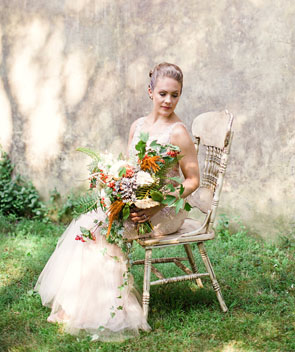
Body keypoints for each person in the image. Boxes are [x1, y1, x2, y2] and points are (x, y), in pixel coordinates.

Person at [35, 62, 199, 341]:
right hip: (137, 201)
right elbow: (131, 171)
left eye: (175, 95)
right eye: (162, 93)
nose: (168, 100)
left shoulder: (179, 133)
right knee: (91, 224)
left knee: (107, 230)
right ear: (150, 92)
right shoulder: (137, 126)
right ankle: (82, 304)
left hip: (166, 208)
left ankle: (112, 309)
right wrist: (115, 189)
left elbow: (192, 181)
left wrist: (157, 205)